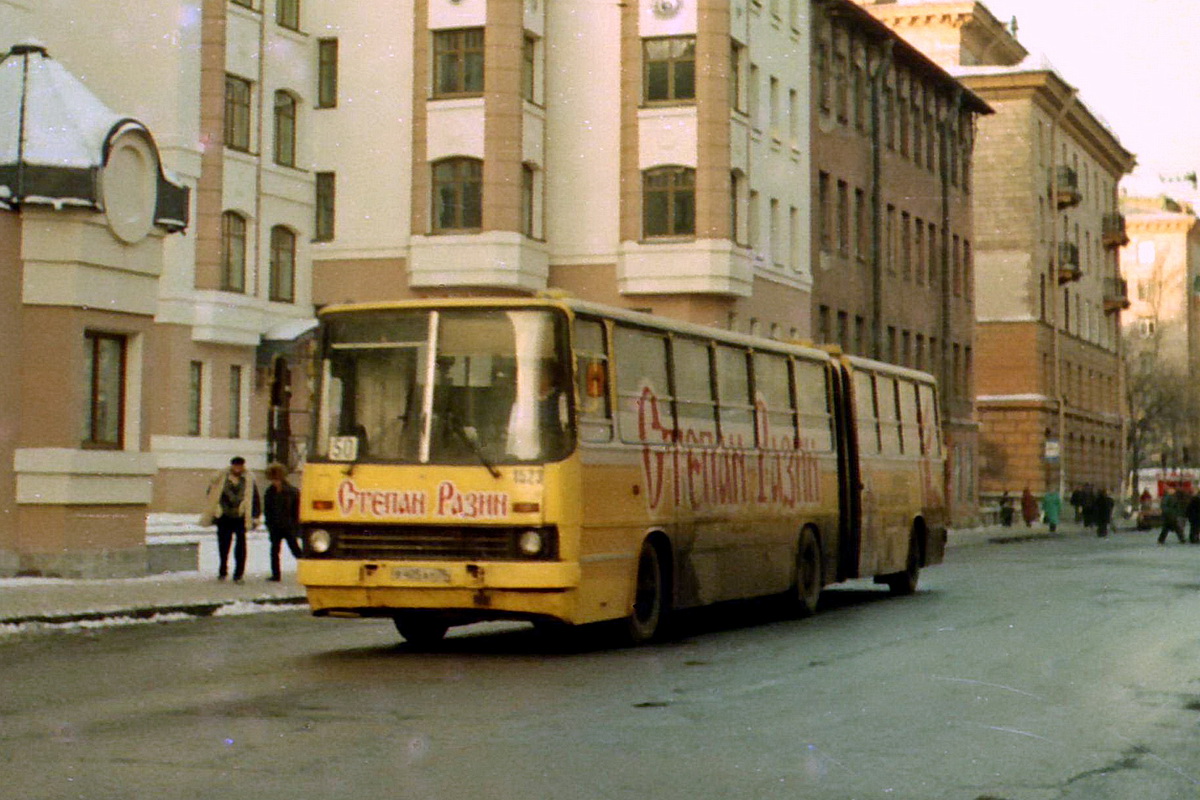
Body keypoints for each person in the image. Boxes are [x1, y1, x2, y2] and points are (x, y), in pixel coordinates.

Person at [202, 456, 261, 581]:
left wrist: (255, 515)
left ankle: (238, 573)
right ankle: (223, 570)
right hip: (224, 516)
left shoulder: (248, 480)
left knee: (241, 546)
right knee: (223, 545)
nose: (237, 469)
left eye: (240, 466)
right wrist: (216, 508)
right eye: (235, 466)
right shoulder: (222, 478)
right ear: (232, 466)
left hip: (240, 516)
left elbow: (255, 498)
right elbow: (211, 493)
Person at [263, 462, 302, 581]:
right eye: (273, 480)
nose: (275, 482)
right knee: (274, 551)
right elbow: (268, 510)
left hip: (289, 526)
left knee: (295, 550)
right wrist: (269, 524)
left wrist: (296, 525)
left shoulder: (292, 492)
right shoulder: (269, 492)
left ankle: (307, 570)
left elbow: (297, 510)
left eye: (277, 479)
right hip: (275, 526)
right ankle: (276, 574)